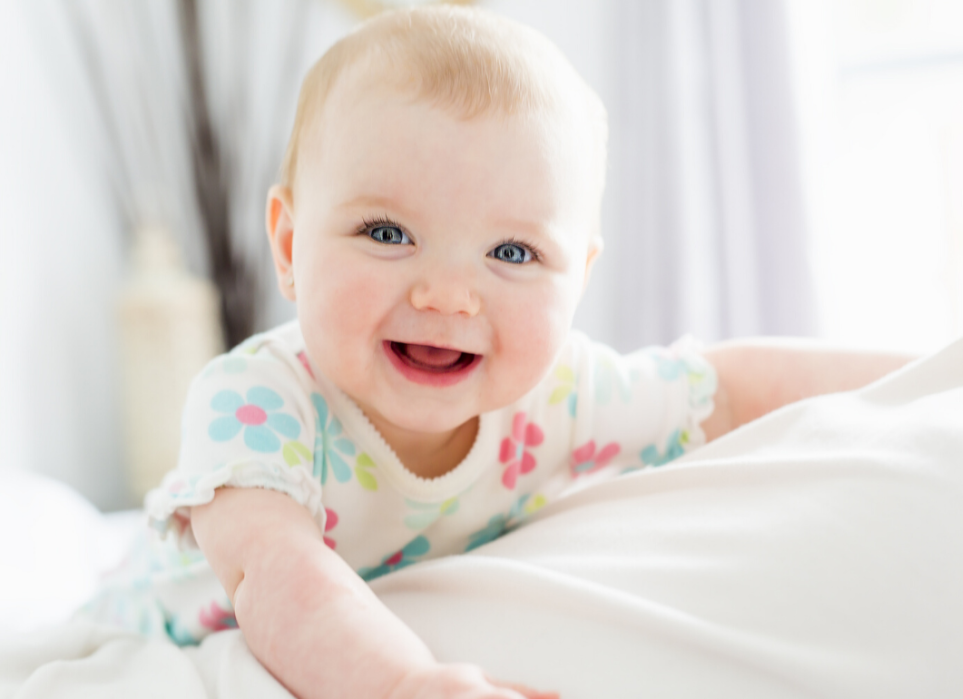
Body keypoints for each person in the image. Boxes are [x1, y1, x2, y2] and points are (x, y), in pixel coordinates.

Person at [90, 6, 911, 698]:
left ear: (578, 276)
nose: (448, 295)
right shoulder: (256, 399)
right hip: (156, 621)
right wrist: (406, 683)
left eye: (512, 254)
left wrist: (928, 371)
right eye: (387, 233)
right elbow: (278, 578)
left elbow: (727, 389)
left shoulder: (563, 393)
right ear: (289, 241)